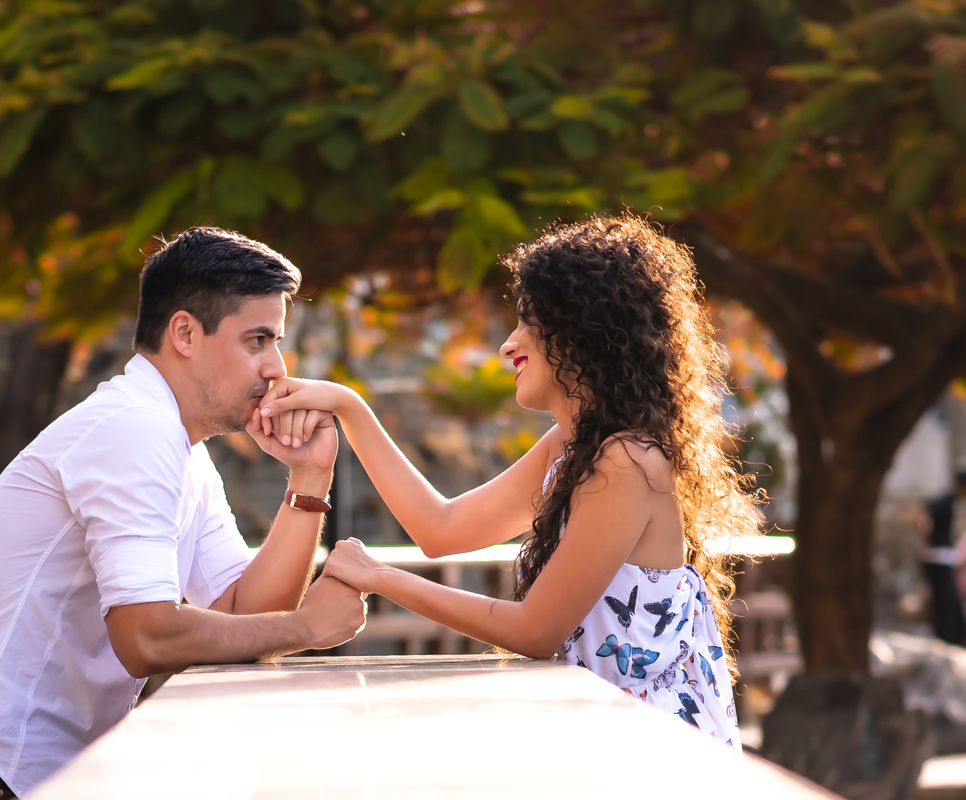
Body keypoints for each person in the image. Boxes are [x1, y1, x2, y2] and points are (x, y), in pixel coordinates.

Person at [0, 227, 367, 799]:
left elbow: (246, 612)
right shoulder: (133, 429)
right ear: (185, 332)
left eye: (276, 342)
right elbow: (147, 637)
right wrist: (308, 628)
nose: (276, 368)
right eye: (257, 340)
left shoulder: (180, 447)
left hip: (28, 774)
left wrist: (309, 478)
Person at [258, 215, 761, 748]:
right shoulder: (570, 449)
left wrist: (380, 576)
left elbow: (534, 630)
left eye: (528, 322)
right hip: (611, 741)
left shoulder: (625, 460)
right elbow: (441, 528)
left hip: (658, 755)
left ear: (581, 333)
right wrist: (349, 408)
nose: (508, 345)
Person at [922, 468, 966, 645]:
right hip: (938, 556)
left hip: (943, 556)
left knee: (947, 600)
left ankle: (948, 637)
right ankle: (946, 637)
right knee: (945, 601)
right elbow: (922, 514)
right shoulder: (945, 501)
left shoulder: (953, 501)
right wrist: (926, 539)